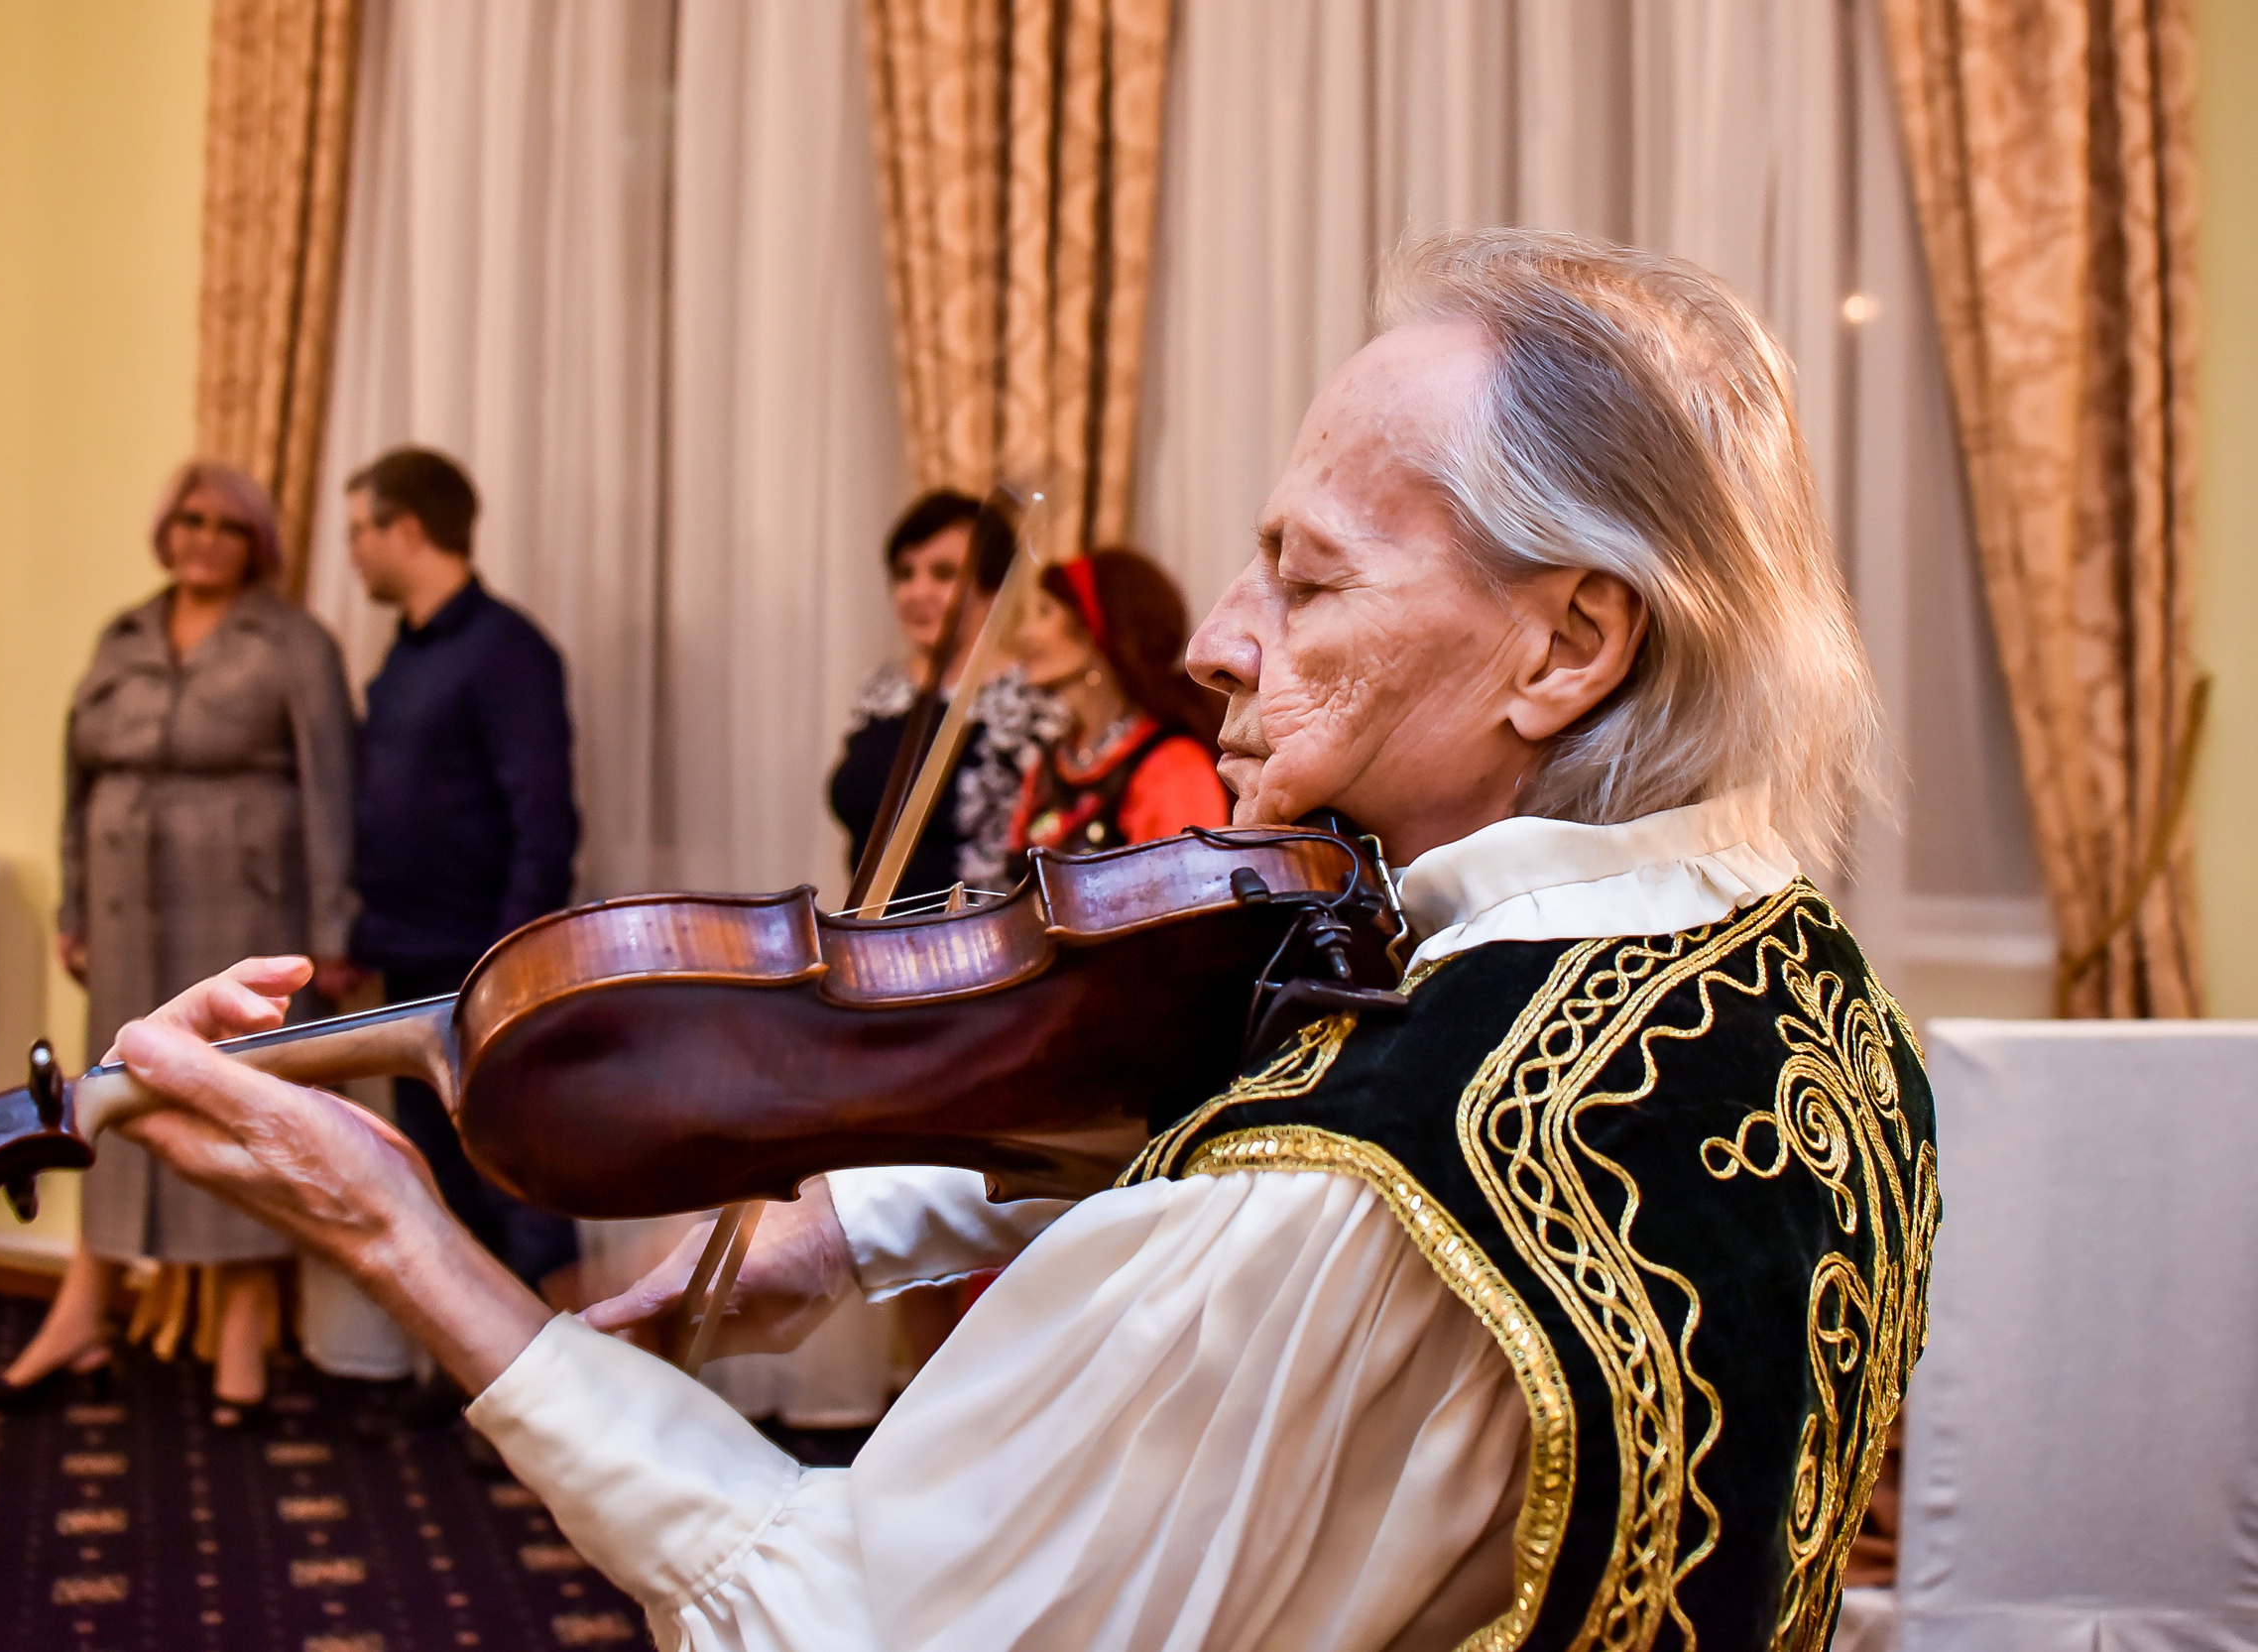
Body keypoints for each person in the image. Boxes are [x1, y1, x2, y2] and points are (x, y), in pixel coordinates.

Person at [108, 229, 1936, 1649]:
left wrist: (401, 1237)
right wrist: (862, 1220)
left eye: (1309, 581)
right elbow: (1239, 1088)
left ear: (1566, 646)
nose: (1219, 639)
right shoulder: (1800, 996)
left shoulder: (1358, 1198)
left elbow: (843, 1615)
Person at [0, 460, 356, 1428]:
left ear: (256, 544)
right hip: (129, 913)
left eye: (226, 524)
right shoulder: (123, 635)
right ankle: (82, 1315)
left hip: (246, 915)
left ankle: (241, 1339)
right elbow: (76, 783)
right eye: (187, 518)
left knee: (239, 1108)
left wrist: (334, 931)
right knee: (115, 1100)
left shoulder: (295, 641)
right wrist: (74, 906)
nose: (202, 537)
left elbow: (334, 796)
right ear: (164, 529)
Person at [342, 446, 583, 1301]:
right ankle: (493, 1382)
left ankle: (581, 1402)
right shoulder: (404, 659)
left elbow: (543, 825)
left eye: (361, 530)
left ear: (409, 528)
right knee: (439, 1178)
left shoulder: (506, 650)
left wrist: (506, 965)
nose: (353, 551)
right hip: (411, 961)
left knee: (521, 1183)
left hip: (483, 966)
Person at [829, 490, 1065, 898]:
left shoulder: (1031, 703)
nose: (917, 592)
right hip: (869, 939)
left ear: (992, 590)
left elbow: (1046, 841)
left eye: (943, 573)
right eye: (904, 574)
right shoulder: (880, 690)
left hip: (976, 943)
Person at [1003, 546, 1231, 876]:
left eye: (1044, 612)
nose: (1024, 634)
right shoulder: (1050, 765)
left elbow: (1184, 898)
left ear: (1097, 626)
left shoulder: (1173, 766)